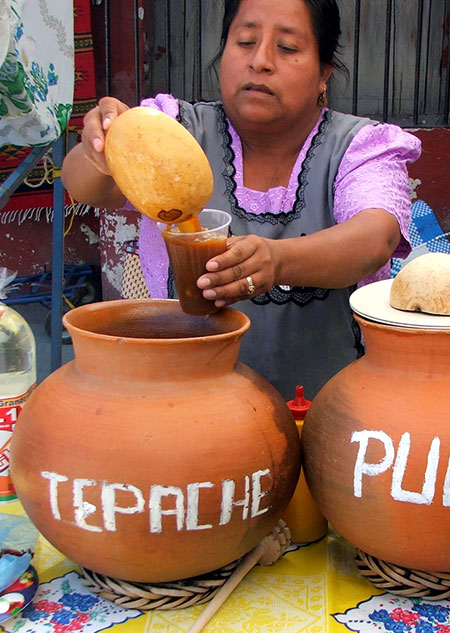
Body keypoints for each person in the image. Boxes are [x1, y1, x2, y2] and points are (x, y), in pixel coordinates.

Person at [62, 0, 421, 399]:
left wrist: (277, 261)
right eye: (245, 41)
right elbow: (87, 187)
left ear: (324, 74)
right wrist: (101, 148)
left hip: (326, 414)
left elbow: (375, 238)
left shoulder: (360, 147)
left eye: (287, 48)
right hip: (184, 405)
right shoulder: (174, 133)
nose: (261, 61)